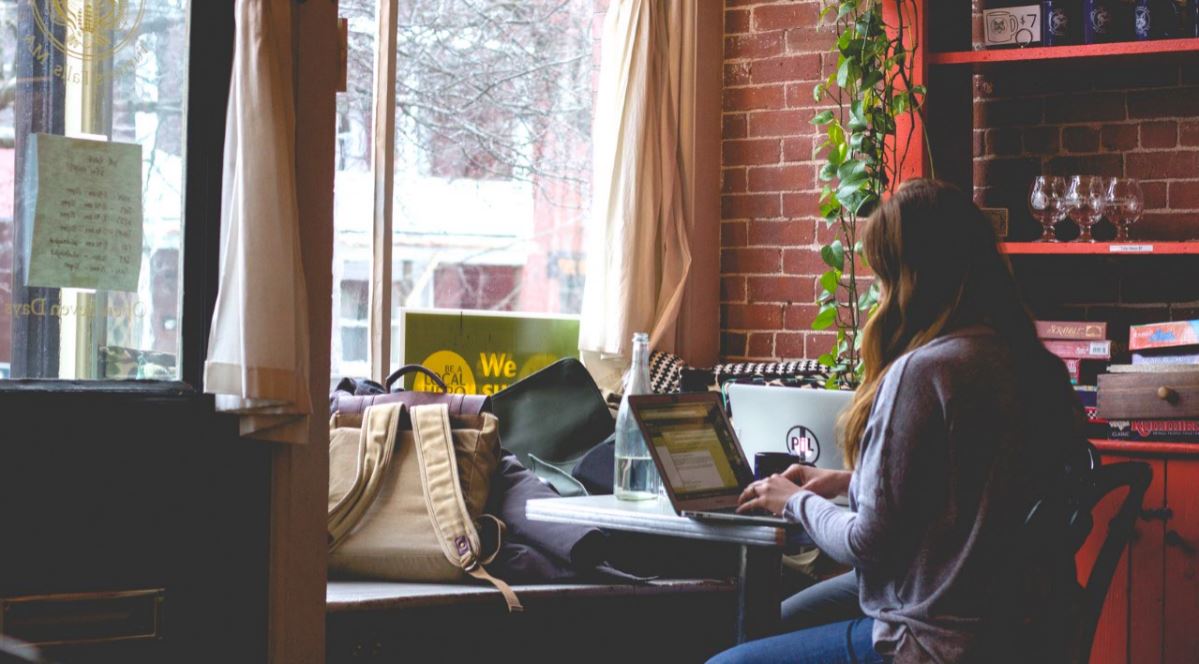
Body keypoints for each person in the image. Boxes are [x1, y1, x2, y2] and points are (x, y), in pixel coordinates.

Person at [709, 179, 1087, 664]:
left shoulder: (926, 372)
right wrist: (845, 482)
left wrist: (794, 501)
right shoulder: (1030, 363)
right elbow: (970, 490)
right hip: (1015, 625)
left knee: (727, 659)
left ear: (911, 279)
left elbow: (866, 544)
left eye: (883, 274)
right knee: (766, 623)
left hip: (935, 636)